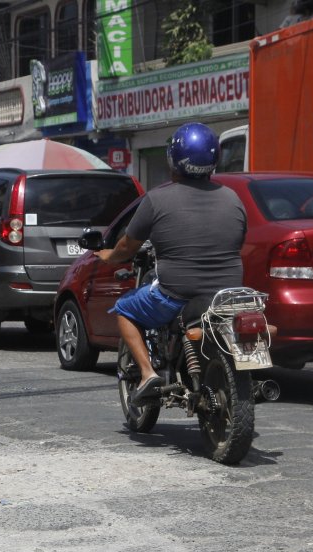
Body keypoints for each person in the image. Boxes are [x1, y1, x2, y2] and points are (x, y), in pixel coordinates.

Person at [96, 122, 247, 403]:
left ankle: (147, 374)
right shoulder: (233, 198)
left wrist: (108, 256)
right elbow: (236, 241)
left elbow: (127, 246)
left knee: (124, 310)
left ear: (173, 160)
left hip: (175, 295)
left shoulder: (157, 199)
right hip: (226, 296)